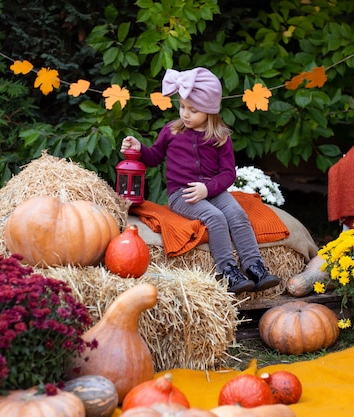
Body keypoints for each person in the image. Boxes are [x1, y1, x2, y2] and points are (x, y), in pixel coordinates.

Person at [120, 67, 281, 294]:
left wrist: (207, 188)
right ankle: (228, 271)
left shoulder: (220, 137)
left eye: (193, 110)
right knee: (215, 218)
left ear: (209, 111)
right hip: (182, 196)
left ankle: (255, 266)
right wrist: (139, 150)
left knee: (236, 214)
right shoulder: (171, 131)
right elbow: (154, 157)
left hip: (213, 191)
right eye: (182, 106)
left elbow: (228, 174)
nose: (185, 114)